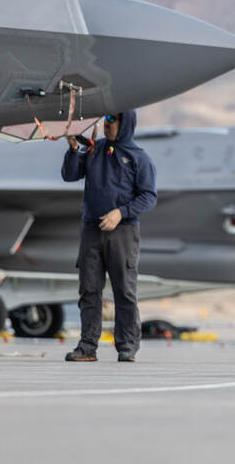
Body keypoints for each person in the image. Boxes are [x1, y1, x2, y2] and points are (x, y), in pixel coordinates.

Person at [61, 111, 157, 362]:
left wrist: (120, 213)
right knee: (89, 290)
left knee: (124, 291)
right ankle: (87, 346)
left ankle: (127, 346)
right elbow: (70, 175)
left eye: (112, 119)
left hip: (123, 233)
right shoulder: (95, 149)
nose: (106, 123)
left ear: (125, 124)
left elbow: (149, 196)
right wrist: (73, 150)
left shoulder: (139, 158)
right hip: (91, 230)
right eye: (105, 118)